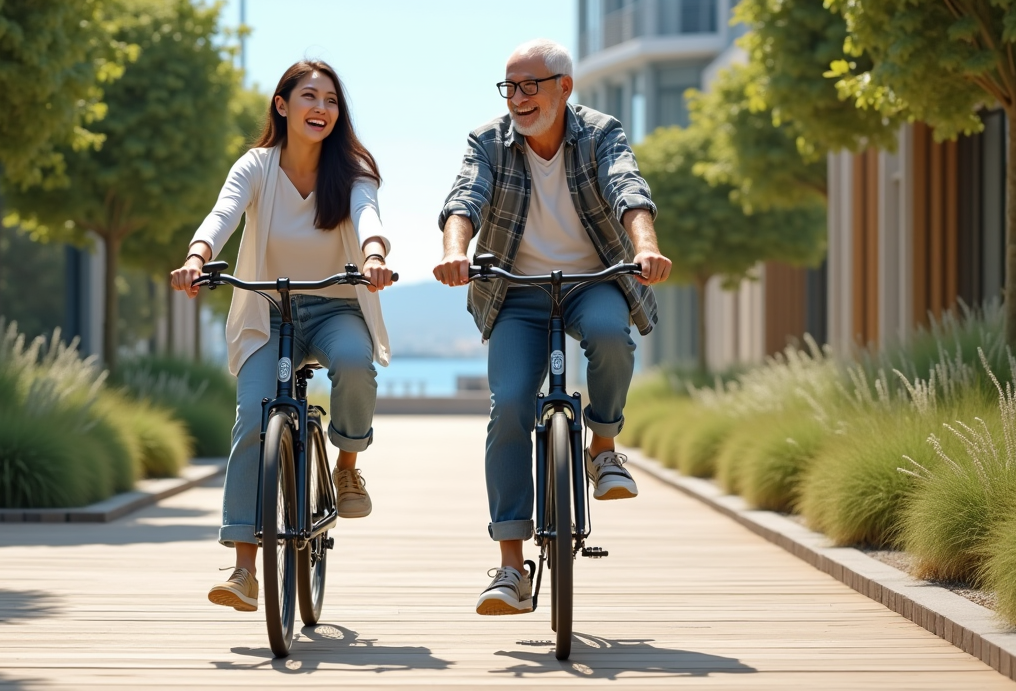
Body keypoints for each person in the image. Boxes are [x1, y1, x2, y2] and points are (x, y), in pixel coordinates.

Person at [433, 39, 672, 616]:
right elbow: (465, 198)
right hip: (516, 291)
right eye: (509, 87)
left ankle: (603, 445)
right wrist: (454, 251)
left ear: (564, 87)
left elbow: (628, 189)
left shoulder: (600, 132)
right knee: (511, 404)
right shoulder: (488, 142)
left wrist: (647, 249)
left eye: (529, 85)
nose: (517, 98)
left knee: (613, 338)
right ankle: (510, 568)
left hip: (594, 280)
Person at [170, 60, 395, 613]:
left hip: (335, 305)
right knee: (253, 416)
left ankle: (346, 469)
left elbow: (368, 217)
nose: (321, 109)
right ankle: (244, 569)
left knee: (354, 364)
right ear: (283, 105)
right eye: (310, 97)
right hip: (267, 310)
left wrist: (373, 256)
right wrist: (199, 258)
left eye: (331, 101)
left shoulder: (353, 170)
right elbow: (222, 215)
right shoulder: (256, 166)